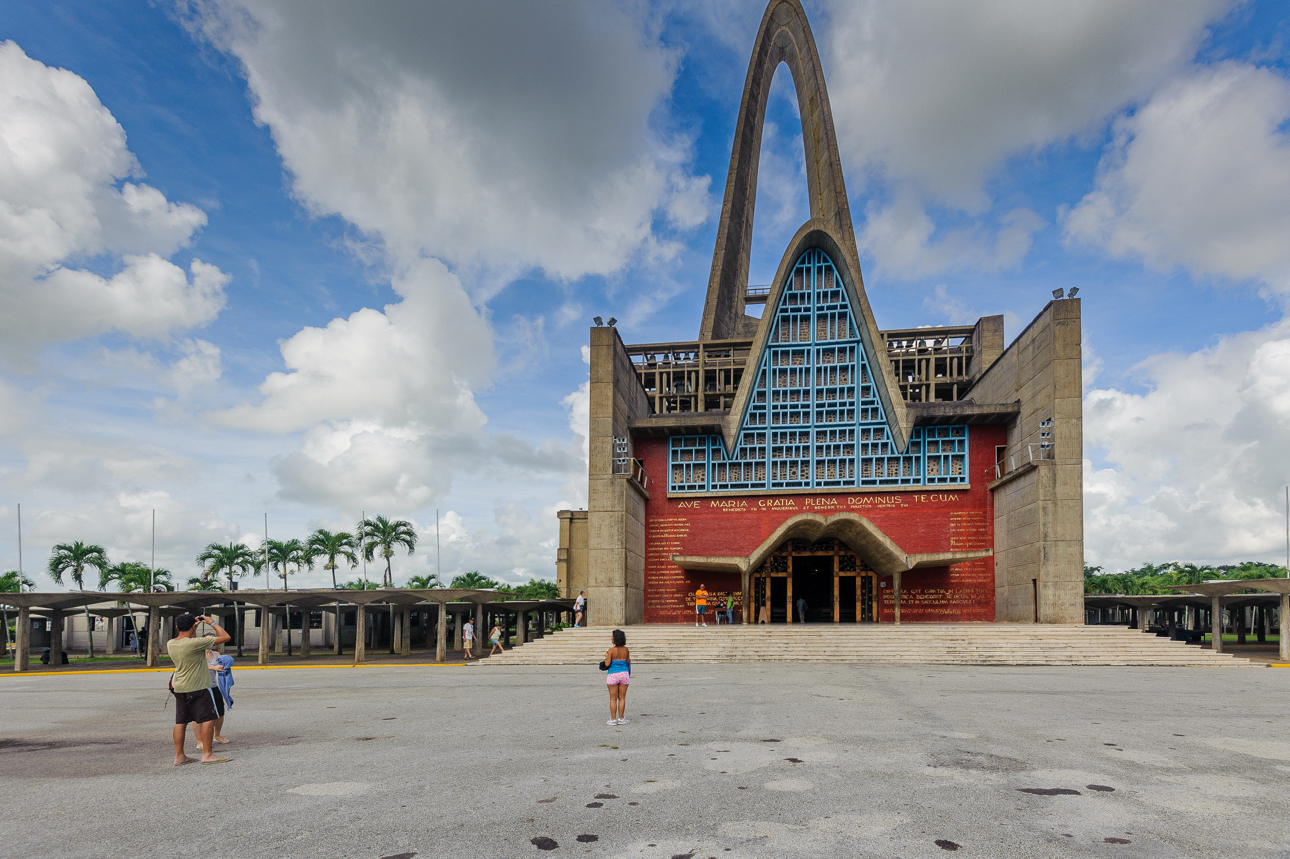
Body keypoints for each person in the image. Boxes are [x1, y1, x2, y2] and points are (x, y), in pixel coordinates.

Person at [167, 613, 231, 766]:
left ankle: (179, 756)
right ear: (192, 627)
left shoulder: (171, 643)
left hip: (180, 686)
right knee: (208, 719)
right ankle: (207, 754)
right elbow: (225, 637)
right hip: (198, 686)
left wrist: (192, 627)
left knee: (181, 721)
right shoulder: (195, 643)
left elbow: (185, 636)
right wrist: (212, 622)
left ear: (177, 627)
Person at [192, 650, 233, 746]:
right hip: (200, 687)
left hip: (213, 686)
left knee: (220, 712)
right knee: (199, 714)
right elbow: (195, 667)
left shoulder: (216, 654)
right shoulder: (196, 654)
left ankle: (217, 735)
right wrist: (213, 667)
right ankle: (200, 741)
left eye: (212, 641)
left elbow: (223, 664)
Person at [603, 629, 630, 725]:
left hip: (613, 674)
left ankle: (613, 720)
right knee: (622, 698)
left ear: (615, 638)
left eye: (612, 636)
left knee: (613, 698)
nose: (611, 638)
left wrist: (607, 656)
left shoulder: (611, 650)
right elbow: (627, 662)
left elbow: (607, 663)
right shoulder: (626, 649)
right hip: (624, 674)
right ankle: (621, 718)